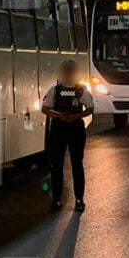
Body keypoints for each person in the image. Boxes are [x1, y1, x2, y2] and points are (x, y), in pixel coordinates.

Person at [41, 59, 94, 213]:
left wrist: (75, 116)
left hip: (75, 128)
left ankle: (79, 199)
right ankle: (57, 200)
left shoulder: (80, 90)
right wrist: (60, 115)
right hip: (59, 128)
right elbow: (45, 108)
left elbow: (90, 108)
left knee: (77, 164)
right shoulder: (55, 90)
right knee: (56, 166)